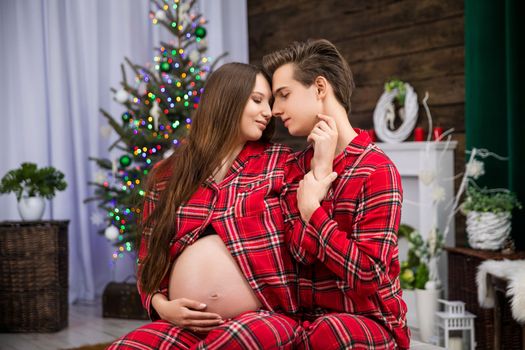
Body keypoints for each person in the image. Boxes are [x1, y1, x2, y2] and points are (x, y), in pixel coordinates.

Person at [109, 62, 310, 349]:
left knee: (232, 341)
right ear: (226, 100)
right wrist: (162, 307)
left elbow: (304, 245)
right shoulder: (169, 174)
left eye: (270, 102)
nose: (269, 112)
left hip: (263, 318)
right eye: (257, 100)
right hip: (183, 324)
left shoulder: (280, 163)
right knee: (126, 347)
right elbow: (148, 257)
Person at [263, 39, 410, 349]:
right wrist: (320, 170)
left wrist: (313, 208)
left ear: (319, 88)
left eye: (284, 95)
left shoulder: (377, 170)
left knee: (330, 332)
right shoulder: (297, 167)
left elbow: (367, 277)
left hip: (371, 323)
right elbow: (300, 257)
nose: (275, 110)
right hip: (308, 323)